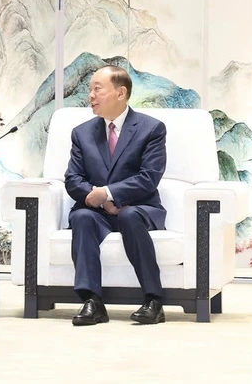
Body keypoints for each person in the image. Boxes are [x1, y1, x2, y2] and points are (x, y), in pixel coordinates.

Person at [64, 65, 167, 326]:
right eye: (90, 90)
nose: (91, 95)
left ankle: (154, 301)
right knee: (82, 218)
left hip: (138, 207)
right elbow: (73, 179)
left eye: (97, 89)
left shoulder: (151, 129)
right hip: (96, 211)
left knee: (131, 216)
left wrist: (108, 194)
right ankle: (92, 302)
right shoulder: (82, 133)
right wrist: (99, 199)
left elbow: (149, 177)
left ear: (121, 93)